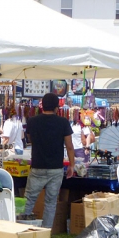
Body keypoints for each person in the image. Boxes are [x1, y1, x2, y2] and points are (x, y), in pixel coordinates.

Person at [22, 93, 75, 229]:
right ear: (57, 107)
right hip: (56, 168)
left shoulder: (32, 121)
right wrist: (72, 165)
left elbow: (30, 138)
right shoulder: (63, 122)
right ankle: (46, 232)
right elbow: (69, 146)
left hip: (37, 166)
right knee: (50, 203)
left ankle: (22, 229)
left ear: (42, 106)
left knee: (29, 200)